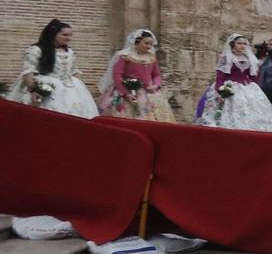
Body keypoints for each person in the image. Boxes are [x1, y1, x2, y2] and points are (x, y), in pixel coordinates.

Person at [10, 19, 99, 239]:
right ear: (53, 34)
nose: (68, 39)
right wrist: (35, 89)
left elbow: (74, 72)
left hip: (71, 91)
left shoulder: (70, 51)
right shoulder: (37, 50)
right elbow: (29, 73)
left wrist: (83, 90)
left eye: (70, 35)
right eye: (65, 35)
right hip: (50, 89)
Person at [197, 34, 272, 132]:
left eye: (244, 44)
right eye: (239, 43)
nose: (242, 46)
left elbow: (253, 77)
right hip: (229, 87)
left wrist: (255, 82)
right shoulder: (226, 57)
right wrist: (219, 93)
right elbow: (220, 76)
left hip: (247, 88)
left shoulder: (249, 58)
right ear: (233, 44)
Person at [97, 28, 172, 121]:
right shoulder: (125, 56)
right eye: (146, 43)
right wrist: (126, 93)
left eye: (151, 44)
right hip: (126, 90)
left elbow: (156, 75)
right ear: (137, 41)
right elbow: (117, 75)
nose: (149, 47)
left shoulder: (151, 57)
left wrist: (156, 85)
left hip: (148, 91)